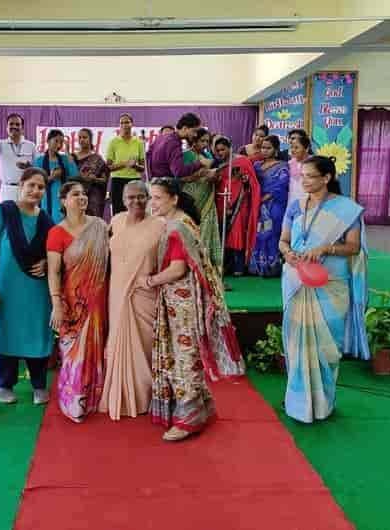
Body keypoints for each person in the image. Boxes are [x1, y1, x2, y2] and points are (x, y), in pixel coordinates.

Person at [141, 178, 244, 442]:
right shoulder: (183, 221)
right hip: (184, 301)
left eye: (158, 198)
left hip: (183, 303)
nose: (153, 203)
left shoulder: (177, 227)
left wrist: (150, 281)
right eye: (151, 197)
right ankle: (202, 406)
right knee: (187, 353)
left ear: (174, 198)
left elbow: (177, 269)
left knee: (183, 355)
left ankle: (189, 419)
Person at [278, 156, 368, 423]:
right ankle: (299, 403)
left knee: (327, 347)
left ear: (326, 178)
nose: (303, 180)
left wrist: (326, 248)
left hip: (331, 283)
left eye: (310, 176)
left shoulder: (346, 210)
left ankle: (323, 403)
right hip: (297, 280)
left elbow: (353, 247)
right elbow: (283, 241)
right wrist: (288, 253)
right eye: (302, 175)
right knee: (296, 344)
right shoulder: (295, 206)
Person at [0, 168, 54, 406]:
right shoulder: (3, 213)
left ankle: (39, 385)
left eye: (41, 187)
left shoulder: (46, 220)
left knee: (37, 334)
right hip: (5, 292)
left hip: (36, 293)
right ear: (21, 185)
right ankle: (3, 384)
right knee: (5, 334)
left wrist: (47, 262)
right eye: (31, 185)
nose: (35, 191)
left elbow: (56, 252)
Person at [99, 181, 165, 420]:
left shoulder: (160, 225)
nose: (136, 201)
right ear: (123, 200)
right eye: (131, 197)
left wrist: (154, 280)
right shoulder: (115, 221)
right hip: (117, 292)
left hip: (144, 293)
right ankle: (119, 393)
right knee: (117, 340)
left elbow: (169, 260)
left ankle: (145, 396)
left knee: (144, 345)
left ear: (148, 198)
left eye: (141, 197)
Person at [47, 181, 109, 423]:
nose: (82, 197)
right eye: (75, 194)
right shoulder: (57, 233)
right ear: (63, 201)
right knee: (73, 353)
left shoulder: (100, 226)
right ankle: (73, 401)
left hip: (99, 299)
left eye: (84, 194)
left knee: (96, 348)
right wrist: (56, 304)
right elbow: (54, 272)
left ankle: (94, 397)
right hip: (72, 302)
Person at [213, 137, 261, 277]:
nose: (220, 153)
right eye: (217, 150)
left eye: (223, 149)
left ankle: (239, 267)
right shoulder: (218, 164)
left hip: (240, 203)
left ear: (230, 148)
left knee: (237, 233)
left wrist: (246, 181)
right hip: (222, 203)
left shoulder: (242, 161)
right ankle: (225, 266)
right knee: (223, 234)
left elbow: (252, 183)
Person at [181, 128, 222, 273]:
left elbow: (215, 176)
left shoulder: (208, 155)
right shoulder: (185, 155)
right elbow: (180, 178)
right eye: (202, 141)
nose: (205, 144)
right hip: (191, 198)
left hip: (207, 197)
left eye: (207, 141)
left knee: (207, 230)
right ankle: (192, 266)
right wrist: (199, 175)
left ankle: (208, 268)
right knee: (191, 230)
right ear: (194, 141)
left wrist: (214, 176)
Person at [250, 136, 290, 277]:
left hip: (274, 204)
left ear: (276, 149)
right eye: (263, 148)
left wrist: (266, 197)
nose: (265, 150)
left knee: (272, 233)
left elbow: (282, 184)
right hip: (258, 204)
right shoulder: (256, 166)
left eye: (268, 148)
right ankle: (258, 266)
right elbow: (251, 183)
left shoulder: (283, 166)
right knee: (258, 233)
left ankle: (273, 266)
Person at [0, 112, 38, 202]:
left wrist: (29, 167)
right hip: (7, 190)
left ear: (22, 128)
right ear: (7, 128)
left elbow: (38, 168)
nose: (14, 126)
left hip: (26, 188)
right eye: (11, 124)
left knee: (24, 211)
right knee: (8, 211)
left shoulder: (31, 146)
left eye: (17, 124)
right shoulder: (1, 144)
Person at [147, 113, 215, 180]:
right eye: (194, 131)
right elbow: (179, 171)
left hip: (154, 181)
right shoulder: (173, 143)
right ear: (185, 128)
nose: (195, 135)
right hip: (163, 183)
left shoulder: (161, 137)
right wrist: (200, 163)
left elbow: (148, 157)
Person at [35, 129, 79, 223]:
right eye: (56, 141)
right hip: (45, 200)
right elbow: (36, 183)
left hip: (62, 201)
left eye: (61, 142)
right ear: (48, 141)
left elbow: (75, 175)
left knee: (61, 226)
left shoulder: (64, 159)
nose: (59, 145)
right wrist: (51, 177)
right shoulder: (39, 161)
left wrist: (67, 152)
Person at [106, 113, 146, 214]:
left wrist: (134, 166)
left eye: (127, 122)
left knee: (136, 211)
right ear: (119, 125)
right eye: (122, 123)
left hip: (134, 181)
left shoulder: (139, 142)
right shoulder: (113, 142)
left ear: (132, 124)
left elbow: (143, 168)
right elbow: (108, 167)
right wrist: (124, 164)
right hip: (117, 181)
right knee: (118, 211)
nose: (124, 125)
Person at [71, 128, 110, 217]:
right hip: (76, 194)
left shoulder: (97, 158)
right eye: (79, 137)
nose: (81, 140)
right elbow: (68, 176)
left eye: (84, 137)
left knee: (92, 221)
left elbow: (104, 180)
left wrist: (94, 179)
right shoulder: (72, 157)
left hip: (93, 197)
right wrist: (81, 177)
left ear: (90, 139)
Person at [287, 135, 312, 207]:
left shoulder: (314, 163)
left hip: (309, 203)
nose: (293, 150)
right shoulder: (289, 164)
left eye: (296, 148)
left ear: (306, 148)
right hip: (292, 203)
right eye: (291, 147)